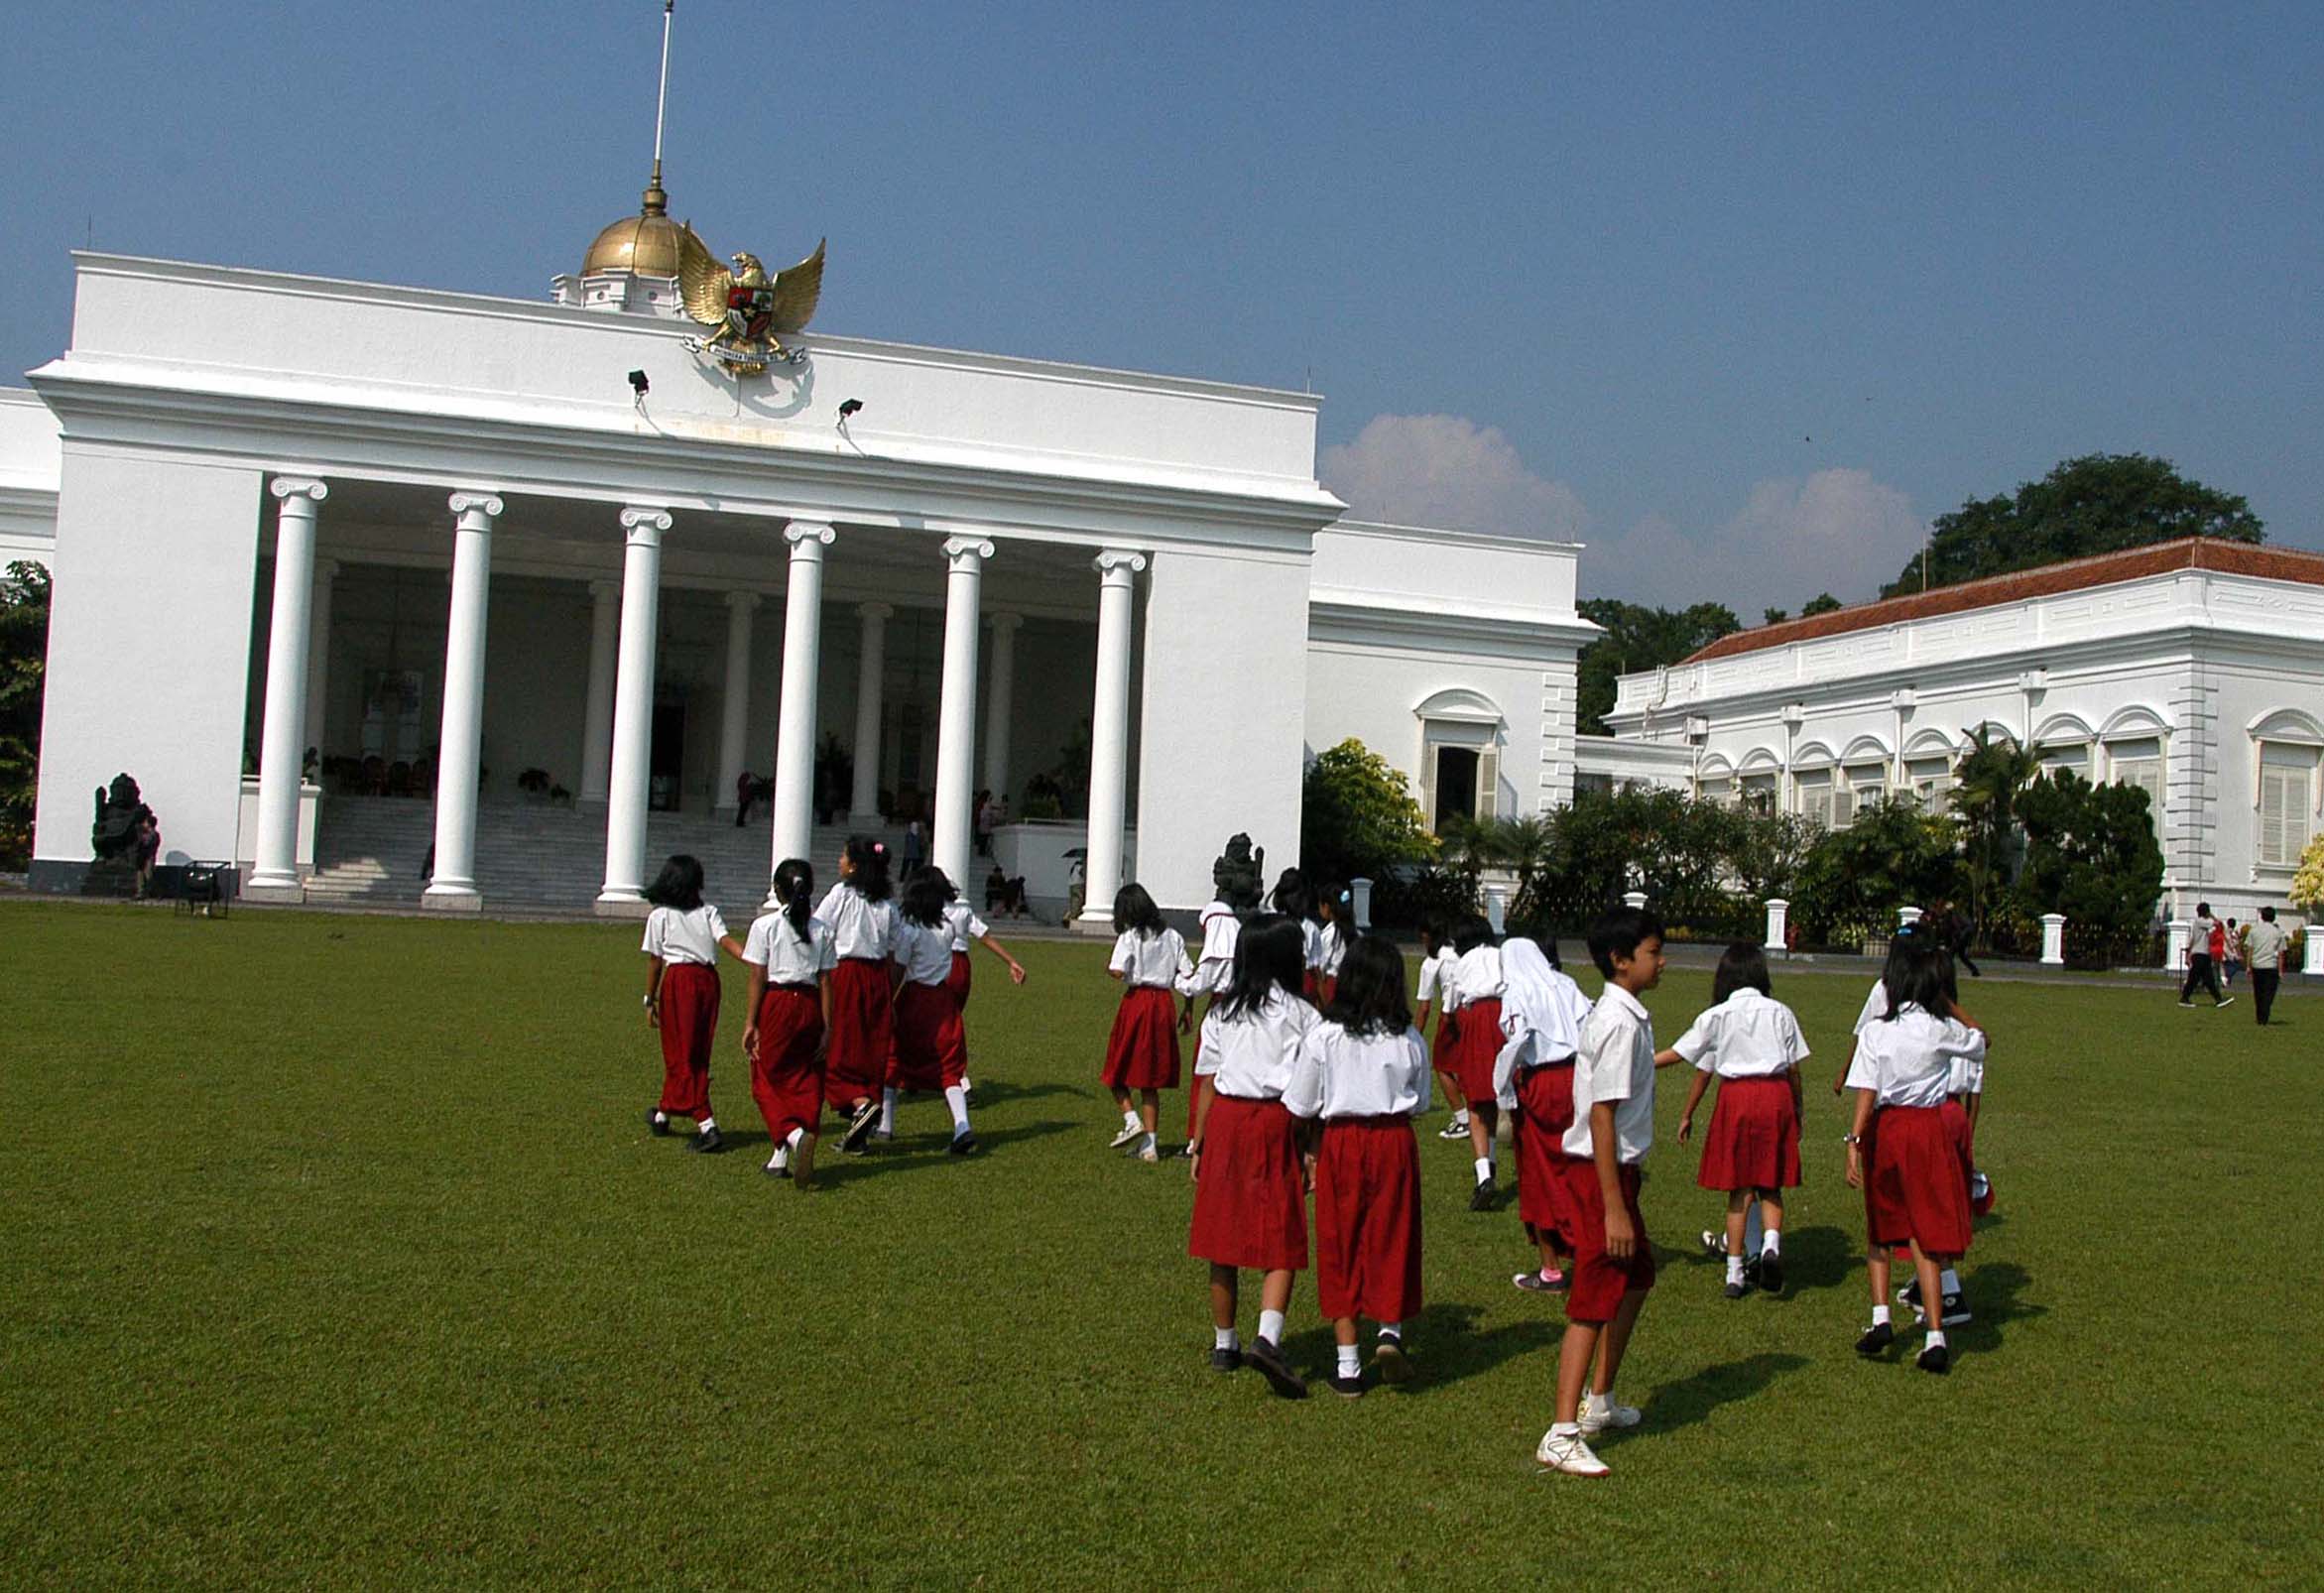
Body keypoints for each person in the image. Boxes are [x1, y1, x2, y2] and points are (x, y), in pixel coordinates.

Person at [1535, 906, 1677, 1478]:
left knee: (1636, 1276)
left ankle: (1600, 1399)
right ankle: (1561, 1430)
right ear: (1621, 962)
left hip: (1616, 1174)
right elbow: (1601, 1115)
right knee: (1594, 1296)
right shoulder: (1618, 1022)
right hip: (1601, 1175)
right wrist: (1614, 1206)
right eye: (1652, 952)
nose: (1662, 961)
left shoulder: (1626, 1016)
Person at [1284, 933, 1429, 1397]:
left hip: (1342, 1142)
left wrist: (1308, 1153)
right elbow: (1421, 1102)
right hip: (1393, 1140)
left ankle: (1347, 1365)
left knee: (1340, 1241)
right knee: (1393, 1233)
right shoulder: (1408, 1037)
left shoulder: (1325, 1036)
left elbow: (1301, 1103)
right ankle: (1389, 1330)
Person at [1187, 914, 1318, 1399]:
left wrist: (1198, 1142)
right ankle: (1268, 1336)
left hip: (1226, 1119)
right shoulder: (1303, 1015)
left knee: (1221, 1232)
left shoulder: (1222, 1013)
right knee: (1280, 1230)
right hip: (1276, 1119)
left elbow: (1207, 1080)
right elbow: (1311, 1087)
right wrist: (1310, 1151)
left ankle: (1225, 1342)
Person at [1844, 938, 1987, 1375]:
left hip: (1888, 1129)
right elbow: (1981, 1041)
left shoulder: (1877, 1031)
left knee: (1881, 1228)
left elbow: (1868, 1090)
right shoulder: (1939, 1029)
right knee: (1925, 1231)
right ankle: (1935, 1335)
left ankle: (1881, 1317)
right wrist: (1950, 1006)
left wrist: (1853, 1141)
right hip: (1929, 1129)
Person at [1666, 942, 1808, 1298]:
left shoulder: (1719, 1015)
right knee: (1770, 1182)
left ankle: (1734, 1273)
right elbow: (1793, 1068)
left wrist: (1637, 1061)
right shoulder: (1780, 1012)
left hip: (1737, 1098)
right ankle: (1771, 1244)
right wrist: (1798, 1108)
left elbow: (1683, 1055)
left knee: (1739, 1187)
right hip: (1775, 1094)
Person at [1493, 936, 1592, 1296]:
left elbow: (1516, 1041)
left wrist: (1502, 1088)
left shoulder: (1518, 992)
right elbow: (1589, 1024)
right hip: (1577, 1077)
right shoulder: (1566, 985)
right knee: (1577, 1165)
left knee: (1538, 1174)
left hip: (1542, 1084)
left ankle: (1552, 1268)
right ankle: (1588, 1253)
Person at [739, 857, 836, 1186]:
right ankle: (780, 1155)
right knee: (805, 1075)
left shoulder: (764, 926)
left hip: (777, 1003)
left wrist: (750, 1022)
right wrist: (827, 1027)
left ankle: (793, 1136)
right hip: (808, 1005)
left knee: (765, 1077)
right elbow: (825, 981)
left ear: (777, 891)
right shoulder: (821, 930)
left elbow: (757, 976)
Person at [640, 853, 744, 1154]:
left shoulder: (660, 916)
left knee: (680, 1051)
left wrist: (650, 998)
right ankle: (662, 1114)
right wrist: (752, 960)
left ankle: (706, 1123)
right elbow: (726, 942)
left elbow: (655, 962)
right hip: (708, 982)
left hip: (680, 982)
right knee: (694, 1049)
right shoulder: (708, 911)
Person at [883, 871, 980, 1154]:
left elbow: (900, 969)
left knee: (895, 1058)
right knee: (949, 1066)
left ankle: (886, 1124)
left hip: (914, 998)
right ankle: (962, 1125)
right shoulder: (947, 928)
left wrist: (889, 998)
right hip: (942, 998)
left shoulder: (910, 931)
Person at [815, 836, 897, 1153]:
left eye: (843, 856)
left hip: (847, 974)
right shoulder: (887, 904)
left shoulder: (842, 895)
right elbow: (895, 946)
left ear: (854, 865)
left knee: (839, 1048)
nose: (839, 861)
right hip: (877, 977)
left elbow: (819, 929)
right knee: (869, 1049)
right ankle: (861, 1124)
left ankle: (861, 1105)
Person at [1104, 884, 1192, 1163]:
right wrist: (1188, 1009)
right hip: (1164, 1003)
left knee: (1116, 1067)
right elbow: (1188, 974)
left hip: (1138, 1002)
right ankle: (1150, 1144)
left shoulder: (1130, 937)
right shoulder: (1173, 937)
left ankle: (1131, 1119)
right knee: (1150, 1076)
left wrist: (1126, 972)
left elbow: (1117, 969)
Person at [927, 864, 1029, 1098]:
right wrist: (1011, 961)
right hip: (961, 967)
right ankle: (946, 1075)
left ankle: (959, 1079)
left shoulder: (928, 909)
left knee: (937, 1022)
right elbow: (984, 937)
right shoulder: (962, 910)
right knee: (948, 1022)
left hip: (939, 963)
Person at [1174, 887, 1244, 1153]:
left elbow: (1195, 986)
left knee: (1205, 1070)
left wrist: (1176, 977)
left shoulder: (1216, 950)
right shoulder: (1238, 935)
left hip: (1220, 1006)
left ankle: (1197, 1137)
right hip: (1241, 1006)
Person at [1446, 915, 1507, 1210]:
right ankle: (1494, 1165)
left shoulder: (1463, 963)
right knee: (1501, 1098)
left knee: (1476, 1101)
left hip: (1476, 1019)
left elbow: (1450, 1005)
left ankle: (1484, 1174)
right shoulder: (1502, 955)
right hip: (1506, 1018)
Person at [1413, 919, 1469, 1145]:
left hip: (1451, 1013)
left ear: (1427, 936)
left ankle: (1462, 1117)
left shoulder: (1432, 962)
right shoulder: (1458, 952)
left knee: (1442, 1065)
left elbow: (1424, 1006)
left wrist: (1415, 1036)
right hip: (1473, 1011)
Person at [2179, 902, 2233, 1009]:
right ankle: (2184, 998)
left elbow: (2193, 939)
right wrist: (2211, 915)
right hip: (2200, 954)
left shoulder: (2199, 922)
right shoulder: (2200, 921)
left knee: (2208, 979)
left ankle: (2218, 999)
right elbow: (2217, 923)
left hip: (2203, 953)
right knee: (2194, 978)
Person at [2245, 906, 2289, 1026]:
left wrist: (2248, 966)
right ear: (2273, 917)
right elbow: (2280, 954)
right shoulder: (2278, 932)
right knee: (2269, 993)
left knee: (2258, 992)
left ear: (2262, 916)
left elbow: (2250, 949)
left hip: (2257, 965)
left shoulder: (2254, 930)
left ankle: (2260, 1017)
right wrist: (2280, 971)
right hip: (2271, 966)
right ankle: (2264, 1014)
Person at [1314, 883, 1353, 1006]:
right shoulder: (1356, 933)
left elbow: (1321, 968)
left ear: (1326, 907)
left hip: (1332, 986)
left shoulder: (1328, 935)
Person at [2222, 918, 2243, 987]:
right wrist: (2239, 955)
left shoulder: (2224, 931)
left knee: (2225, 967)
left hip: (2224, 952)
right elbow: (2237, 945)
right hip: (2231, 953)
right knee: (2235, 966)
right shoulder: (2234, 933)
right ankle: (2227, 980)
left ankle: (2226, 981)